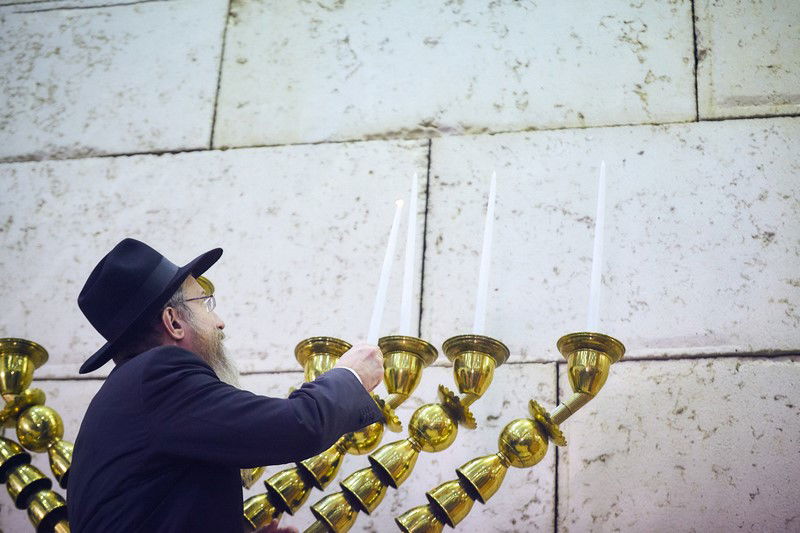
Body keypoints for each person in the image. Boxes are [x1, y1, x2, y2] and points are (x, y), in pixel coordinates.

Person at [67, 238, 385, 532]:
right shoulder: (158, 375)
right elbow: (297, 425)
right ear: (174, 321)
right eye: (204, 303)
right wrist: (351, 376)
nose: (219, 322)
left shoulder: (126, 396)